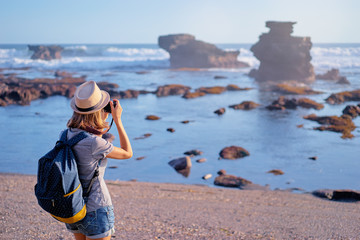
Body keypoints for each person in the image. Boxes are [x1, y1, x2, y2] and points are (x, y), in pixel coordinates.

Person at [64, 81, 133, 240]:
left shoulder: (66, 135)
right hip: (96, 207)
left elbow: (88, 145)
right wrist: (117, 120)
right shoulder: (95, 143)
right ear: (98, 111)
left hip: (72, 206)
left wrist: (100, 122)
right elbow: (127, 153)